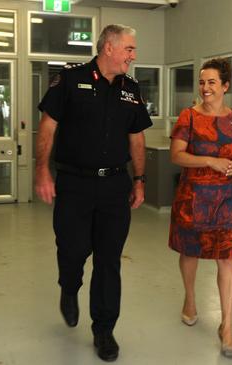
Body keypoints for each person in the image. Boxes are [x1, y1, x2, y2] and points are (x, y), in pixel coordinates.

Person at [35, 24, 152, 362]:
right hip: (74, 184)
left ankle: (104, 329)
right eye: (129, 48)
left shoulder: (131, 89)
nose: (133, 55)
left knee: (108, 260)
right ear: (109, 48)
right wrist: (42, 170)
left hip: (115, 186)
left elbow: (137, 137)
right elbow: (48, 125)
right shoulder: (70, 79)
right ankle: (69, 287)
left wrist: (140, 179)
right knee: (72, 250)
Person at [168, 58, 232, 358]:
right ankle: (190, 298)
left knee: (227, 259)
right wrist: (210, 161)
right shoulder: (188, 117)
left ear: (225, 86)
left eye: (212, 82)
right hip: (193, 198)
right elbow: (177, 155)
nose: (205, 87)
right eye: (202, 82)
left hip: (227, 198)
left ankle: (226, 326)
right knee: (190, 252)